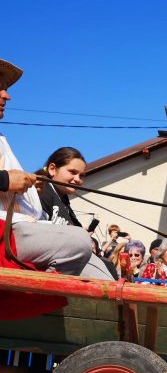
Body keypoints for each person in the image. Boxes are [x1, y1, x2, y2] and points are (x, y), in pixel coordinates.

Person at [0, 59, 112, 280]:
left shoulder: (2, 140)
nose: (7, 95)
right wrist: (5, 180)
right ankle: (29, 300)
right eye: (0, 87)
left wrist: (31, 189)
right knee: (77, 240)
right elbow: (6, 181)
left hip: (19, 228)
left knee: (102, 272)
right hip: (6, 234)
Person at [36, 147, 86, 227]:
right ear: (52, 169)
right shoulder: (42, 189)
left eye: (81, 175)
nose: (78, 179)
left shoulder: (64, 200)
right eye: (72, 172)